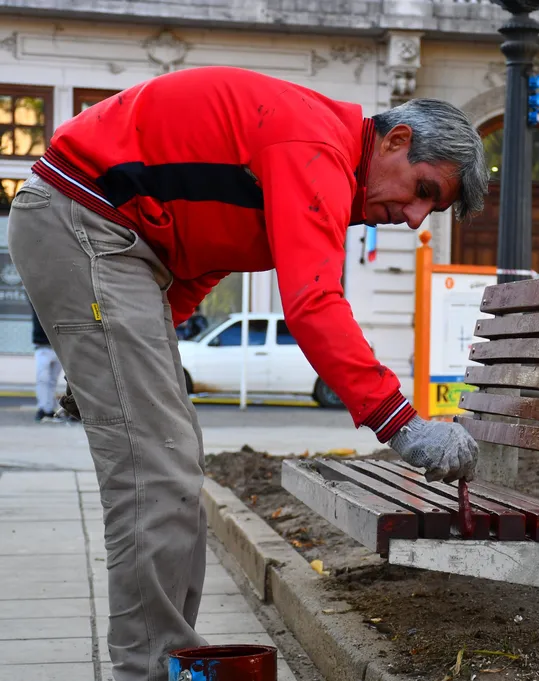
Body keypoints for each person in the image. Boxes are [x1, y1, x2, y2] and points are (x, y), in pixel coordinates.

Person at [7, 66, 486, 681]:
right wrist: (404, 424)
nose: (416, 218)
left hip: (106, 235)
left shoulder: (319, 158)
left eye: (432, 209)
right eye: (423, 190)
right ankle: (151, 669)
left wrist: (133, 347)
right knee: (156, 464)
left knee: (172, 459)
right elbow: (314, 305)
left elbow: (203, 254)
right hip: (86, 220)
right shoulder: (316, 149)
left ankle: (169, 658)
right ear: (394, 141)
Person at [30, 304, 63, 422]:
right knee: (43, 379)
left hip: (57, 346)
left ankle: (49, 410)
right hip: (42, 346)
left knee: (52, 380)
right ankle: (42, 409)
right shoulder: (36, 299)